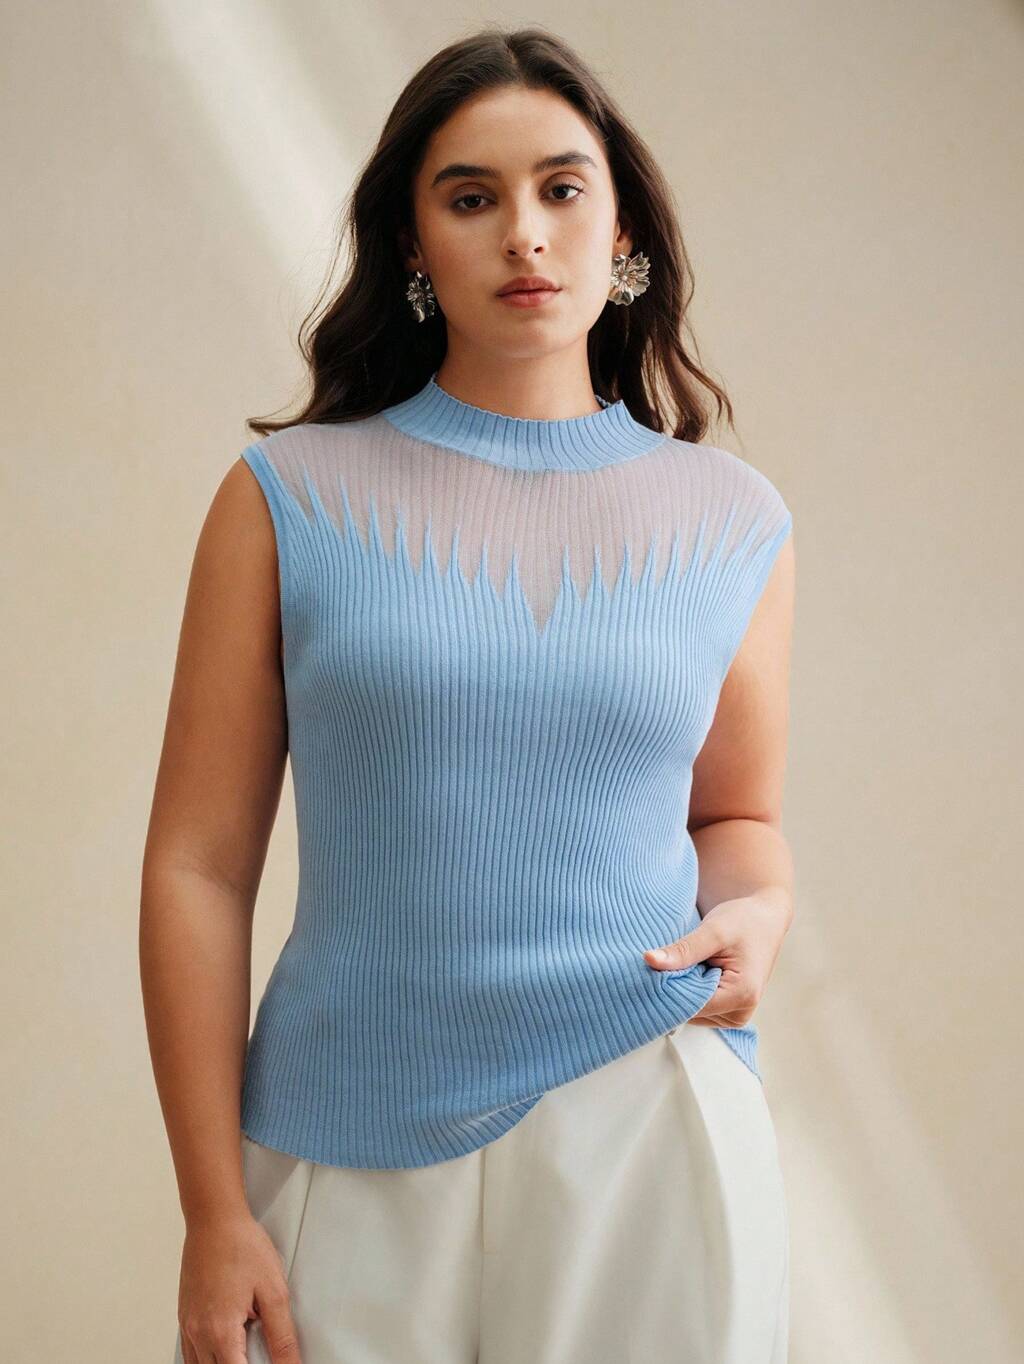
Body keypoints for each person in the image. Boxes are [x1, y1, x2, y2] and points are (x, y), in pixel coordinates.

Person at [141, 25, 795, 1364]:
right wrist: (212, 1210)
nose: (525, 234)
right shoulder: (286, 499)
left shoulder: (734, 521)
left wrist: (759, 911)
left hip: (647, 1114)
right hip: (344, 1127)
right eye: (471, 197)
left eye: (562, 188)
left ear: (624, 231)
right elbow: (198, 867)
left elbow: (736, 817)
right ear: (413, 244)